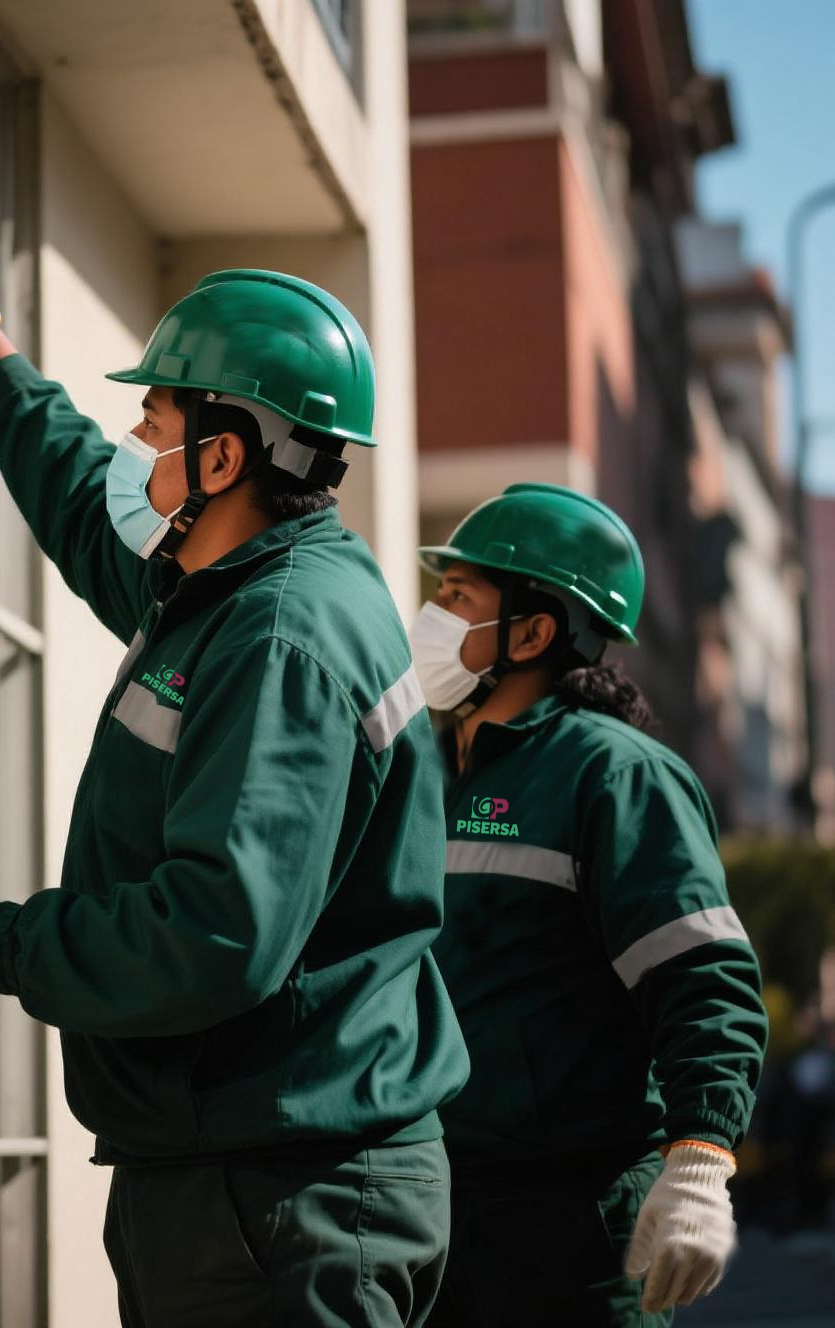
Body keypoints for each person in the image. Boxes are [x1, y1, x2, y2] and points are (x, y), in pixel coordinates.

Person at [0, 211, 469, 1326]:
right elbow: (90, 503)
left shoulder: (278, 636)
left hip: (284, 1203)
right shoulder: (231, 582)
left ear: (224, 454)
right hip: (250, 1171)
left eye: (152, 416)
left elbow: (215, 933)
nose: (131, 438)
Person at [407, 484, 769, 1326]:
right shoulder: (419, 769)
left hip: (573, 1231)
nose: (432, 616)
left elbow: (702, 976)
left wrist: (701, 1158)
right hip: (429, 1214)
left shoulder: (615, 775)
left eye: (459, 597)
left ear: (533, 632)